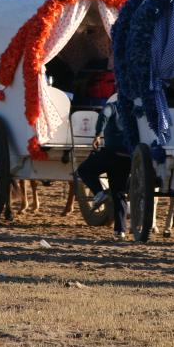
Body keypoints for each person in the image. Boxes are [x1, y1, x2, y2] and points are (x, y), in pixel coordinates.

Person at [75, 97, 131, 240]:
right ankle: (120, 231)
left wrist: (98, 134)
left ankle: (99, 192)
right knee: (119, 194)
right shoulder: (135, 109)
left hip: (111, 154)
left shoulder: (113, 106)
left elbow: (104, 115)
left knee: (84, 170)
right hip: (127, 158)